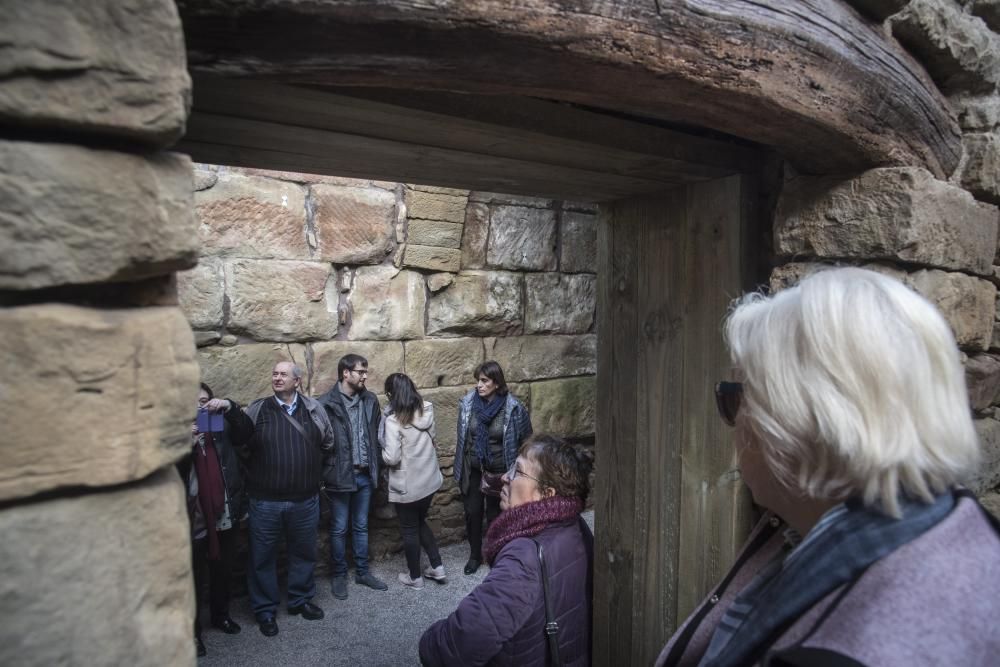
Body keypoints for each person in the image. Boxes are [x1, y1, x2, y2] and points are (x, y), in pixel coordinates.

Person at [657, 267, 1000, 667]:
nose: (731, 426)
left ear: (799, 418)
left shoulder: (841, 651)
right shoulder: (959, 525)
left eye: (734, 397)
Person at [420, 434, 594, 666]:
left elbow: (459, 645)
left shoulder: (523, 557)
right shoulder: (574, 524)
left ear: (546, 494)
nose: (505, 477)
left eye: (518, 472)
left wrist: (429, 642)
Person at [243, 361, 334, 637]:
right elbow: (242, 448)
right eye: (274, 374)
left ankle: (300, 600)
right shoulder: (258, 409)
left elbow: (328, 443)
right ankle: (265, 610)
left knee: (303, 553)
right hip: (265, 502)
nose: (277, 378)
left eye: (283, 374)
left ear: (297, 381)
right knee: (262, 557)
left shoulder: (313, 409)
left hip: (305, 500)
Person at [179, 383, 254, 657]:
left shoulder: (220, 425)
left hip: (224, 511)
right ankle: (193, 633)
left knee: (223, 571)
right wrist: (185, 444)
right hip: (194, 520)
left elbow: (247, 434)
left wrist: (230, 407)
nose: (200, 406)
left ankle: (221, 616)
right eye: (194, 402)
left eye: (204, 400)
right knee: (194, 579)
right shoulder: (174, 434)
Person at [318, 353, 388, 599]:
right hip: (339, 475)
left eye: (365, 371)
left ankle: (362, 572)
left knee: (361, 526)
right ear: (345, 373)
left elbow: (376, 438)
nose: (365, 376)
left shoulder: (369, 400)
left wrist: (376, 469)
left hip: (364, 475)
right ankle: (338, 574)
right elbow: (320, 444)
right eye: (361, 371)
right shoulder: (325, 403)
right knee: (338, 528)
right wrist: (325, 473)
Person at [455, 360, 533, 575]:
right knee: (472, 513)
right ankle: (474, 556)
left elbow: (527, 440)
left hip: (500, 470)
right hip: (473, 468)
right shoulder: (468, 404)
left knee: (494, 514)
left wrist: (520, 472)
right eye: (478, 381)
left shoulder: (513, 408)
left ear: (496, 383)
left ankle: (496, 554)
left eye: (484, 381)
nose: (479, 385)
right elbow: (463, 438)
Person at [380, 372, 446, 588]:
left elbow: (392, 457)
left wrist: (379, 452)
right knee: (419, 522)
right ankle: (437, 567)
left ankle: (415, 577)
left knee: (409, 528)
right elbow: (433, 438)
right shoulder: (427, 409)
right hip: (429, 481)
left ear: (392, 394)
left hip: (407, 486)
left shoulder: (393, 421)